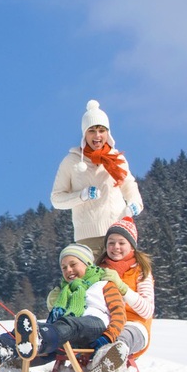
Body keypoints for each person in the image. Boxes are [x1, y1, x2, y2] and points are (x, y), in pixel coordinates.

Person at [0, 243, 126, 372]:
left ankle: (37, 341)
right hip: (67, 332)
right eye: (64, 267)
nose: (68, 270)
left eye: (73, 264)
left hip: (94, 326)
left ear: (88, 264)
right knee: (39, 329)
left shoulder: (104, 285)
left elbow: (119, 315)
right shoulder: (64, 292)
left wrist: (107, 338)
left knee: (66, 325)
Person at [50, 99, 144, 258]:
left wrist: (135, 204)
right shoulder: (71, 162)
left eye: (102, 130)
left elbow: (129, 185)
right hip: (88, 240)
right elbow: (57, 199)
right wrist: (82, 195)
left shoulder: (116, 158)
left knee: (121, 281)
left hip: (118, 233)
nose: (97, 135)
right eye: (92, 130)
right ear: (84, 134)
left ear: (108, 133)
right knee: (94, 282)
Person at [85, 216, 155, 372]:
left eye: (121, 243)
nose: (116, 247)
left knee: (122, 338)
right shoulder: (98, 270)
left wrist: (122, 288)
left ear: (131, 245)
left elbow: (146, 310)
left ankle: (108, 361)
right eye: (111, 242)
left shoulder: (140, 272)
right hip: (105, 322)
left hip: (134, 324)